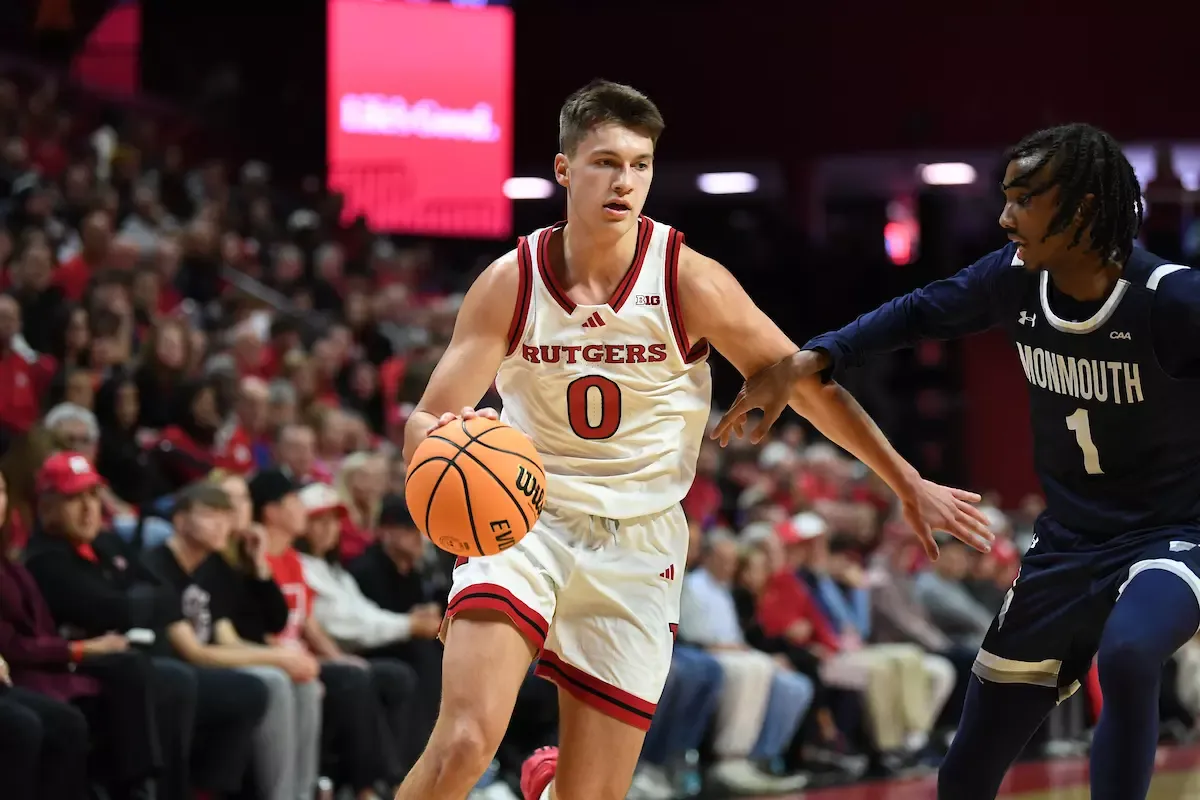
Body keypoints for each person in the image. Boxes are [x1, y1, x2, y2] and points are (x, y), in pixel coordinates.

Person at [394, 79, 992, 800]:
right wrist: (437, 445)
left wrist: (907, 481)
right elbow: (428, 418)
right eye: (605, 162)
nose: (625, 182)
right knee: (460, 744)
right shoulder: (508, 282)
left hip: (639, 540)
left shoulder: (687, 279)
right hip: (525, 520)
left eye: (640, 165)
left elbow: (806, 384)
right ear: (563, 170)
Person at [715, 122, 1200, 800]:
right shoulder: (1013, 280)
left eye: (1023, 199)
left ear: (1085, 207)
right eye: (1005, 197)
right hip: (1068, 545)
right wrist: (810, 358)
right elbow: (919, 312)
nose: (1003, 218)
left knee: (1127, 655)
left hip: (1171, 537)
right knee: (965, 773)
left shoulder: (1172, 300)